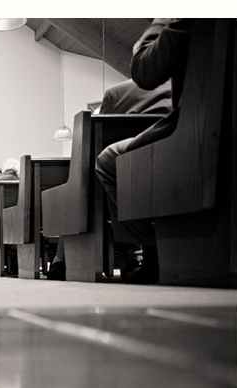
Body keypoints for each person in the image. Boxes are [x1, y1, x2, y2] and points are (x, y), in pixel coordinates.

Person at [95, 18, 197, 284]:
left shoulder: (191, 17)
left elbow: (145, 71)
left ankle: (152, 247)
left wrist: (161, 23)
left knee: (106, 162)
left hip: (193, 127)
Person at [48, 76, 174, 282]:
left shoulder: (116, 94)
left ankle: (60, 261)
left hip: (122, 177)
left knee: (82, 191)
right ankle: (135, 259)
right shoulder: (180, 86)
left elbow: (96, 137)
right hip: (175, 164)